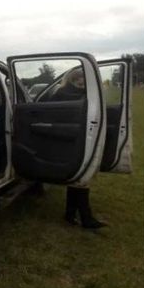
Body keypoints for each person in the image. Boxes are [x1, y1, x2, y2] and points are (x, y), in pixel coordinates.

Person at [52, 68, 108, 229]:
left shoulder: (61, 93)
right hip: (77, 138)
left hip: (73, 138)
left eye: (83, 80)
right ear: (72, 80)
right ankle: (86, 218)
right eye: (79, 80)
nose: (81, 83)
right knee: (83, 176)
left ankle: (70, 214)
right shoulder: (84, 95)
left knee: (78, 177)